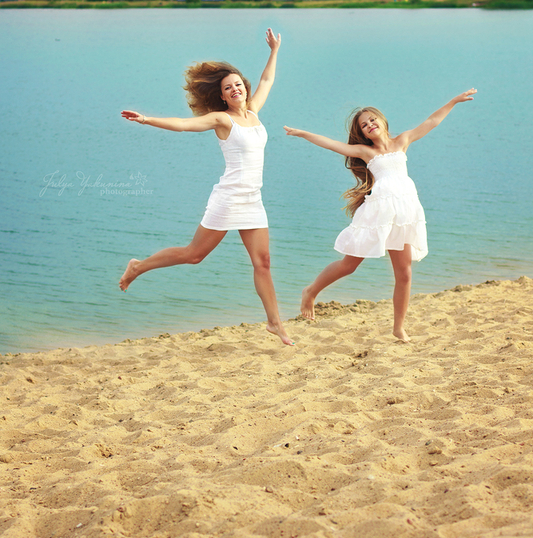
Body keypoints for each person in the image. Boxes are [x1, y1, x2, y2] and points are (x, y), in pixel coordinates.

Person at [119, 28, 293, 346]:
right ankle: (137, 267)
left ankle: (275, 323)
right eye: (228, 88)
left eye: (238, 84)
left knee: (263, 263)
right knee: (194, 255)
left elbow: (267, 80)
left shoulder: (253, 112)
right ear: (222, 96)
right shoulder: (222, 120)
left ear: (244, 89)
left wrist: (274, 51)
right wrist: (146, 119)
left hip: (253, 199)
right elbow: (184, 125)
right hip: (228, 199)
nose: (235, 89)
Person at [284, 90, 477, 342]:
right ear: (363, 134)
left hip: (405, 214)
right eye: (364, 125)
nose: (369, 125)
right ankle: (310, 291)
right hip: (378, 214)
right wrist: (303, 133)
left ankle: (398, 327)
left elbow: (431, 121)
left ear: (383, 121)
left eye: (372, 120)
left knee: (404, 273)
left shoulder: (402, 141)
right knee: (349, 265)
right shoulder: (366, 152)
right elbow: (331, 144)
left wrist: (453, 102)